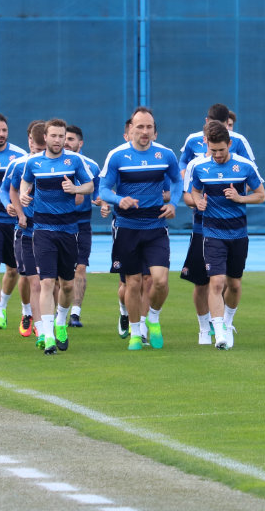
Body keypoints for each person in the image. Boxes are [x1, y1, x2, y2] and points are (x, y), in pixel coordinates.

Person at [97, 107, 182, 351]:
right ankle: (135, 332)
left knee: (160, 281)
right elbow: (103, 189)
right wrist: (118, 199)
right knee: (133, 283)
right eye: (140, 127)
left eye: (149, 127)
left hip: (156, 224)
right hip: (127, 226)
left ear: (155, 131)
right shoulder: (117, 156)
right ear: (130, 130)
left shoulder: (166, 155)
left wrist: (174, 204)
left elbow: (177, 181)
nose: (144, 131)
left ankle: (152, 318)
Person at [179, 104, 255, 344]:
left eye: (221, 149)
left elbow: (254, 184)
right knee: (206, 282)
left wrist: (239, 197)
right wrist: (197, 200)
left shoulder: (241, 149)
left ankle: (225, 324)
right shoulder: (195, 154)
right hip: (204, 228)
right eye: (213, 149)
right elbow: (188, 189)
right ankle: (207, 329)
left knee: (232, 283)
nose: (217, 154)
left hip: (236, 229)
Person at [18, 119, 96, 354]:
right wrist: (23, 196)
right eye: (53, 135)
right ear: (45, 137)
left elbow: (90, 186)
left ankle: (61, 322)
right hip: (42, 230)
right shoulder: (34, 162)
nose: (57, 140)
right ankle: (49, 335)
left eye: (61, 136)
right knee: (46, 282)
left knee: (68, 285)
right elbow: (25, 182)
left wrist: (76, 189)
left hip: (68, 230)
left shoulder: (74, 161)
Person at [2, 121, 47, 339]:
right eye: (36, 150)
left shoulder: (56, 164)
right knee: (29, 278)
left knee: (50, 280)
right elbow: (6, 190)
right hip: (25, 229)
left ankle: (50, 320)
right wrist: (12, 207)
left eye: (42, 150)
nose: (39, 154)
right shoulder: (19, 165)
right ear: (29, 141)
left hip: (50, 228)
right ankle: (27, 313)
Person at [0, 113, 27, 331]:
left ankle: (3, 303)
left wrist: (18, 207)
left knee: (13, 270)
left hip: (15, 222)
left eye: (4, 130)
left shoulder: (19, 155)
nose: (1, 134)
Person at [63, 125, 99, 329]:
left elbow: (99, 191)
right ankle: (58, 312)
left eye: (71, 139)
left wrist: (102, 202)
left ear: (80, 143)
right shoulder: (56, 165)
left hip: (82, 223)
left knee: (81, 267)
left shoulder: (91, 166)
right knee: (59, 272)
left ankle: (75, 313)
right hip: (60, 223)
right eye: (65, 138)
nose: (67, 142)